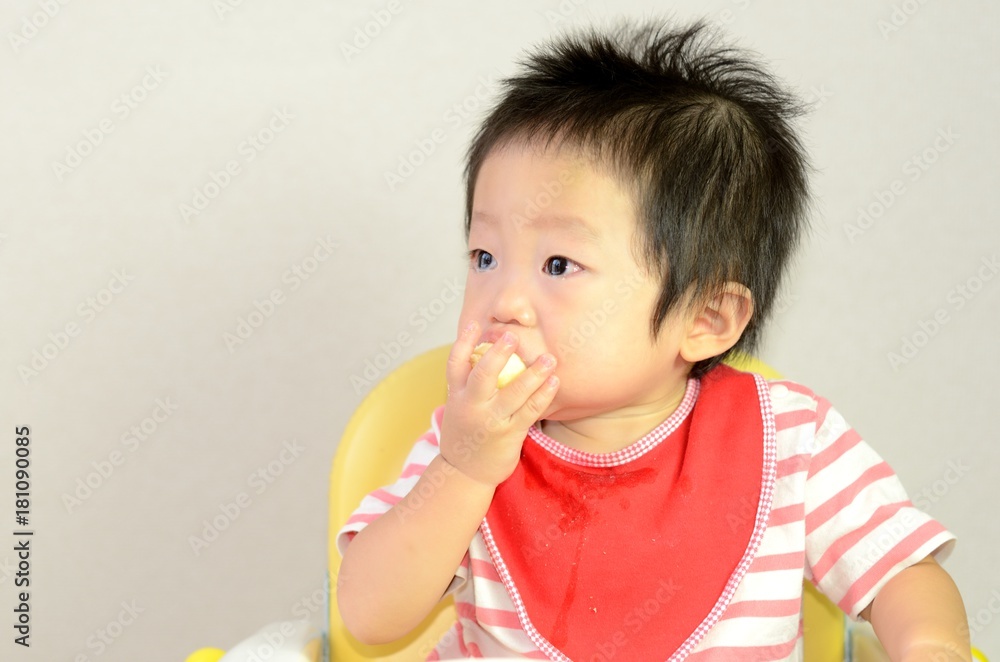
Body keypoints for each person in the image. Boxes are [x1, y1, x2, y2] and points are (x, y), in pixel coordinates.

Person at [336, 19, 971, 660]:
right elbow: (370, 616)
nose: (504, 302)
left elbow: (898, 570)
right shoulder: (470, 443)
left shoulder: (791, 444)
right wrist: (463, 469)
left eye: (558, 265)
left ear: (706, 318)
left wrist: (930, 644)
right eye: (484, 256)